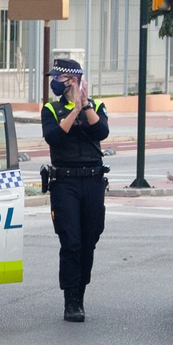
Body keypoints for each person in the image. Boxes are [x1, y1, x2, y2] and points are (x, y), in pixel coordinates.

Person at [41, 59, 110, 322]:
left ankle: (81, 292)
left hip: (92, 179)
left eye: (58, 78)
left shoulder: (98, 106)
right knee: (70, 241)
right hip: (65, 181)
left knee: (89, 240)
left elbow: (101, 131)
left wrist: (87, 106)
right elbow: (53, 137)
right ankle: (71, 300)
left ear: (73, 80)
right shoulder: (51, 108)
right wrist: (74, 111)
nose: (55, 82)